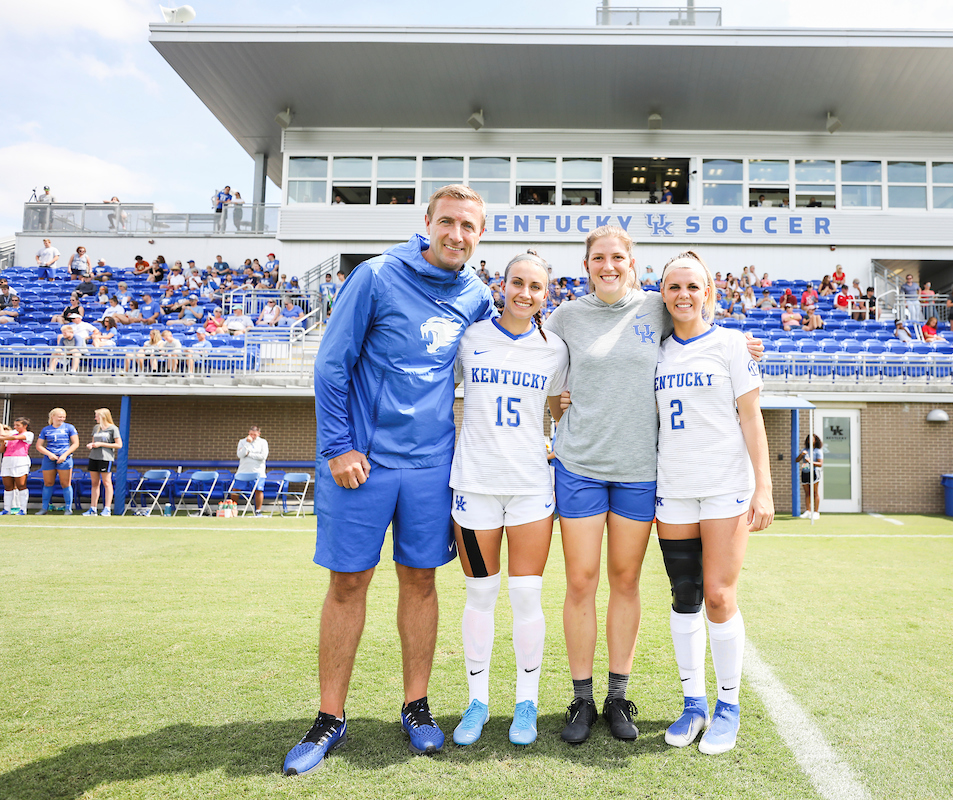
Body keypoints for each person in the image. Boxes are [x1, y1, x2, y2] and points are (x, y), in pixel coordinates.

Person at [285, 185, 495, 776]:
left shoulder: (476, 294)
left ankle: (417, 707)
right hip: (363, 463)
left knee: (421, 582)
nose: (457, 235)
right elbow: (331, 363)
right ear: (426, 223)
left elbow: (513, 345)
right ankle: (330, 717)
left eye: (469, 227)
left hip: (431, 466)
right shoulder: (376, 276)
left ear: (481, 236)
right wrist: (338, 446)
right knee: (349, 584)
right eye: (448, 222)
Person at [542, 226, 762, 746]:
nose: (609, 265)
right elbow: (546, 375)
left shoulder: (656, 307)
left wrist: (745, 344)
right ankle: (581, 699)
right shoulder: (564, 316)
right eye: (599, 257)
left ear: (633, 262)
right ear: (587, 264)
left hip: (643, 471)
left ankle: (619, 696)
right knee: (580, 582)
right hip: (580, 467)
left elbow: (699, 317)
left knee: (626, 580)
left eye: (618, 256)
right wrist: (559, 411)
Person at [653, 250, 773, 755]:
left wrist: (763, 486)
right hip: (673, 487)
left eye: (693, 287)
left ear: (708, 293)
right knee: (685, 594)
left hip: (724, 487)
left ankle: (728, 706)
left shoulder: (729, 344)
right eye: (674, 287)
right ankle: (693, 703)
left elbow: (751, 418)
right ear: (662, 294)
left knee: (720, 596)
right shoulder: (654, 350)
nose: (683, 295)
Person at [448, 250, 568, 748]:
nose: (525, 293)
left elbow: (564, 407)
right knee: (480, 595)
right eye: (517, 282)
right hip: (474, 482)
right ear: (502, 285)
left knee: (526, 597)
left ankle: (526, 701)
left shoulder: (555, 349)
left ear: (546, 294)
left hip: (529, 489)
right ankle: (477, 701)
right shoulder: (470, 338)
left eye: (536, 287)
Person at [35, 409, 78, 515]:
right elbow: (39, 445)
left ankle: (68, 508)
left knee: (65, 483)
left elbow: (76, 443)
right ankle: (44, 508)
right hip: (49, 459)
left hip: (65, 459)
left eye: (63, 416)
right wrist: (49, 454)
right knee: (48, 483)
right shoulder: (46, 429)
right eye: (59, 416)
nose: (62, 419)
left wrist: (64, 455)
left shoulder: (69, 427)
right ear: (52, 416)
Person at [82, 408, 122, 517]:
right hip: (94, 457)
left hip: (106, 458)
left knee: (107, 482)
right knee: (94, 483)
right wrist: (92, 445)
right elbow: (94, 441)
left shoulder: (113, 429)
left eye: (96, 416)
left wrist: (102, 444)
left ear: (103, 416)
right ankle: (93, 508)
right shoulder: (96, 428)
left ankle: (107, 509)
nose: (95, 418)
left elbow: (119, 445)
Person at [0, 418, 34, 515]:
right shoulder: (10, 435)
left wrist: (3, 437)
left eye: (18, 425)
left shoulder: (28, 434)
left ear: (25, 426)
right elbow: (2, 450)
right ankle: (7, 509)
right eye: (15, 425)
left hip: (20, 461)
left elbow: (16, 438)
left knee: (21, 485)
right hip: (7, 461)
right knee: (7, 486)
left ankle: (23, 509)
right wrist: (2, 441)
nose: (15, 427)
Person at [235, 426, 269, 516]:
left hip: (258, 471)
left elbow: (263, 457)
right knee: (235, 490)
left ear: (259, 434)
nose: (252, 436)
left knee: (258, 490)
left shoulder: (263, 442)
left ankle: (258, 510)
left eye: (254, 434)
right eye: (250, 434)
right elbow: (240, 454)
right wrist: (247, 444)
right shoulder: (242, 441)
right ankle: (233, 509)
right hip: (243, 471)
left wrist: (249, 454)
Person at [795, 434, 823, 520]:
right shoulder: (805, 450)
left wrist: (811, 462)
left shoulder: (817, 451)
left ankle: (816, 512)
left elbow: (820, 464)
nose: (810, 441)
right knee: (807, 493)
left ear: (815, 441)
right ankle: (808, 511)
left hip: (814, 472)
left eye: (812, 439)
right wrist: (801, 455)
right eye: (808, 439)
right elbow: (797, 460)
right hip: (805, 471)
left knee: (815, 492)